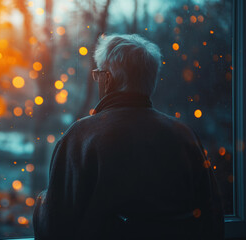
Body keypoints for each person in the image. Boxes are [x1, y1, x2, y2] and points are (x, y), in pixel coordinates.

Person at [33, 34, 224, 239]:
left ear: (108, 79)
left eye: (98, 75)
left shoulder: (81, 138)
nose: (97, 80)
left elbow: (54, 227)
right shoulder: (184, 136)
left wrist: (41, 203)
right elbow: (212, 218)